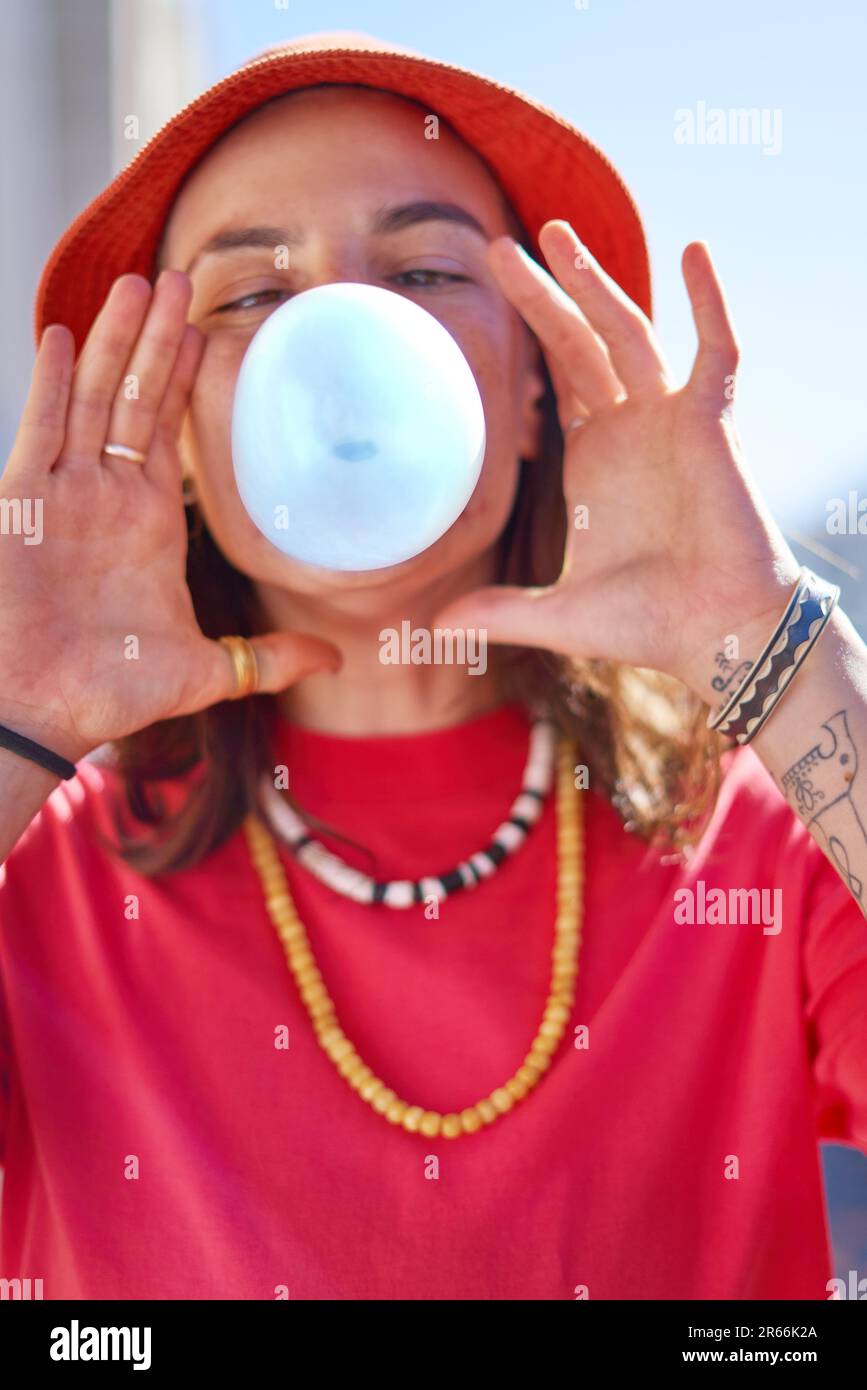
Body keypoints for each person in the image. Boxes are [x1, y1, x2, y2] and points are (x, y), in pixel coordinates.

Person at [0, 31, 865, 1302]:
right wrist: (17, 719)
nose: (339, 335)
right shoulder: (41, 867)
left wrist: (782, 651)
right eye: (248, 295)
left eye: (420, 270)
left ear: (529, 388)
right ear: (174, 423)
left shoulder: (764, 835)